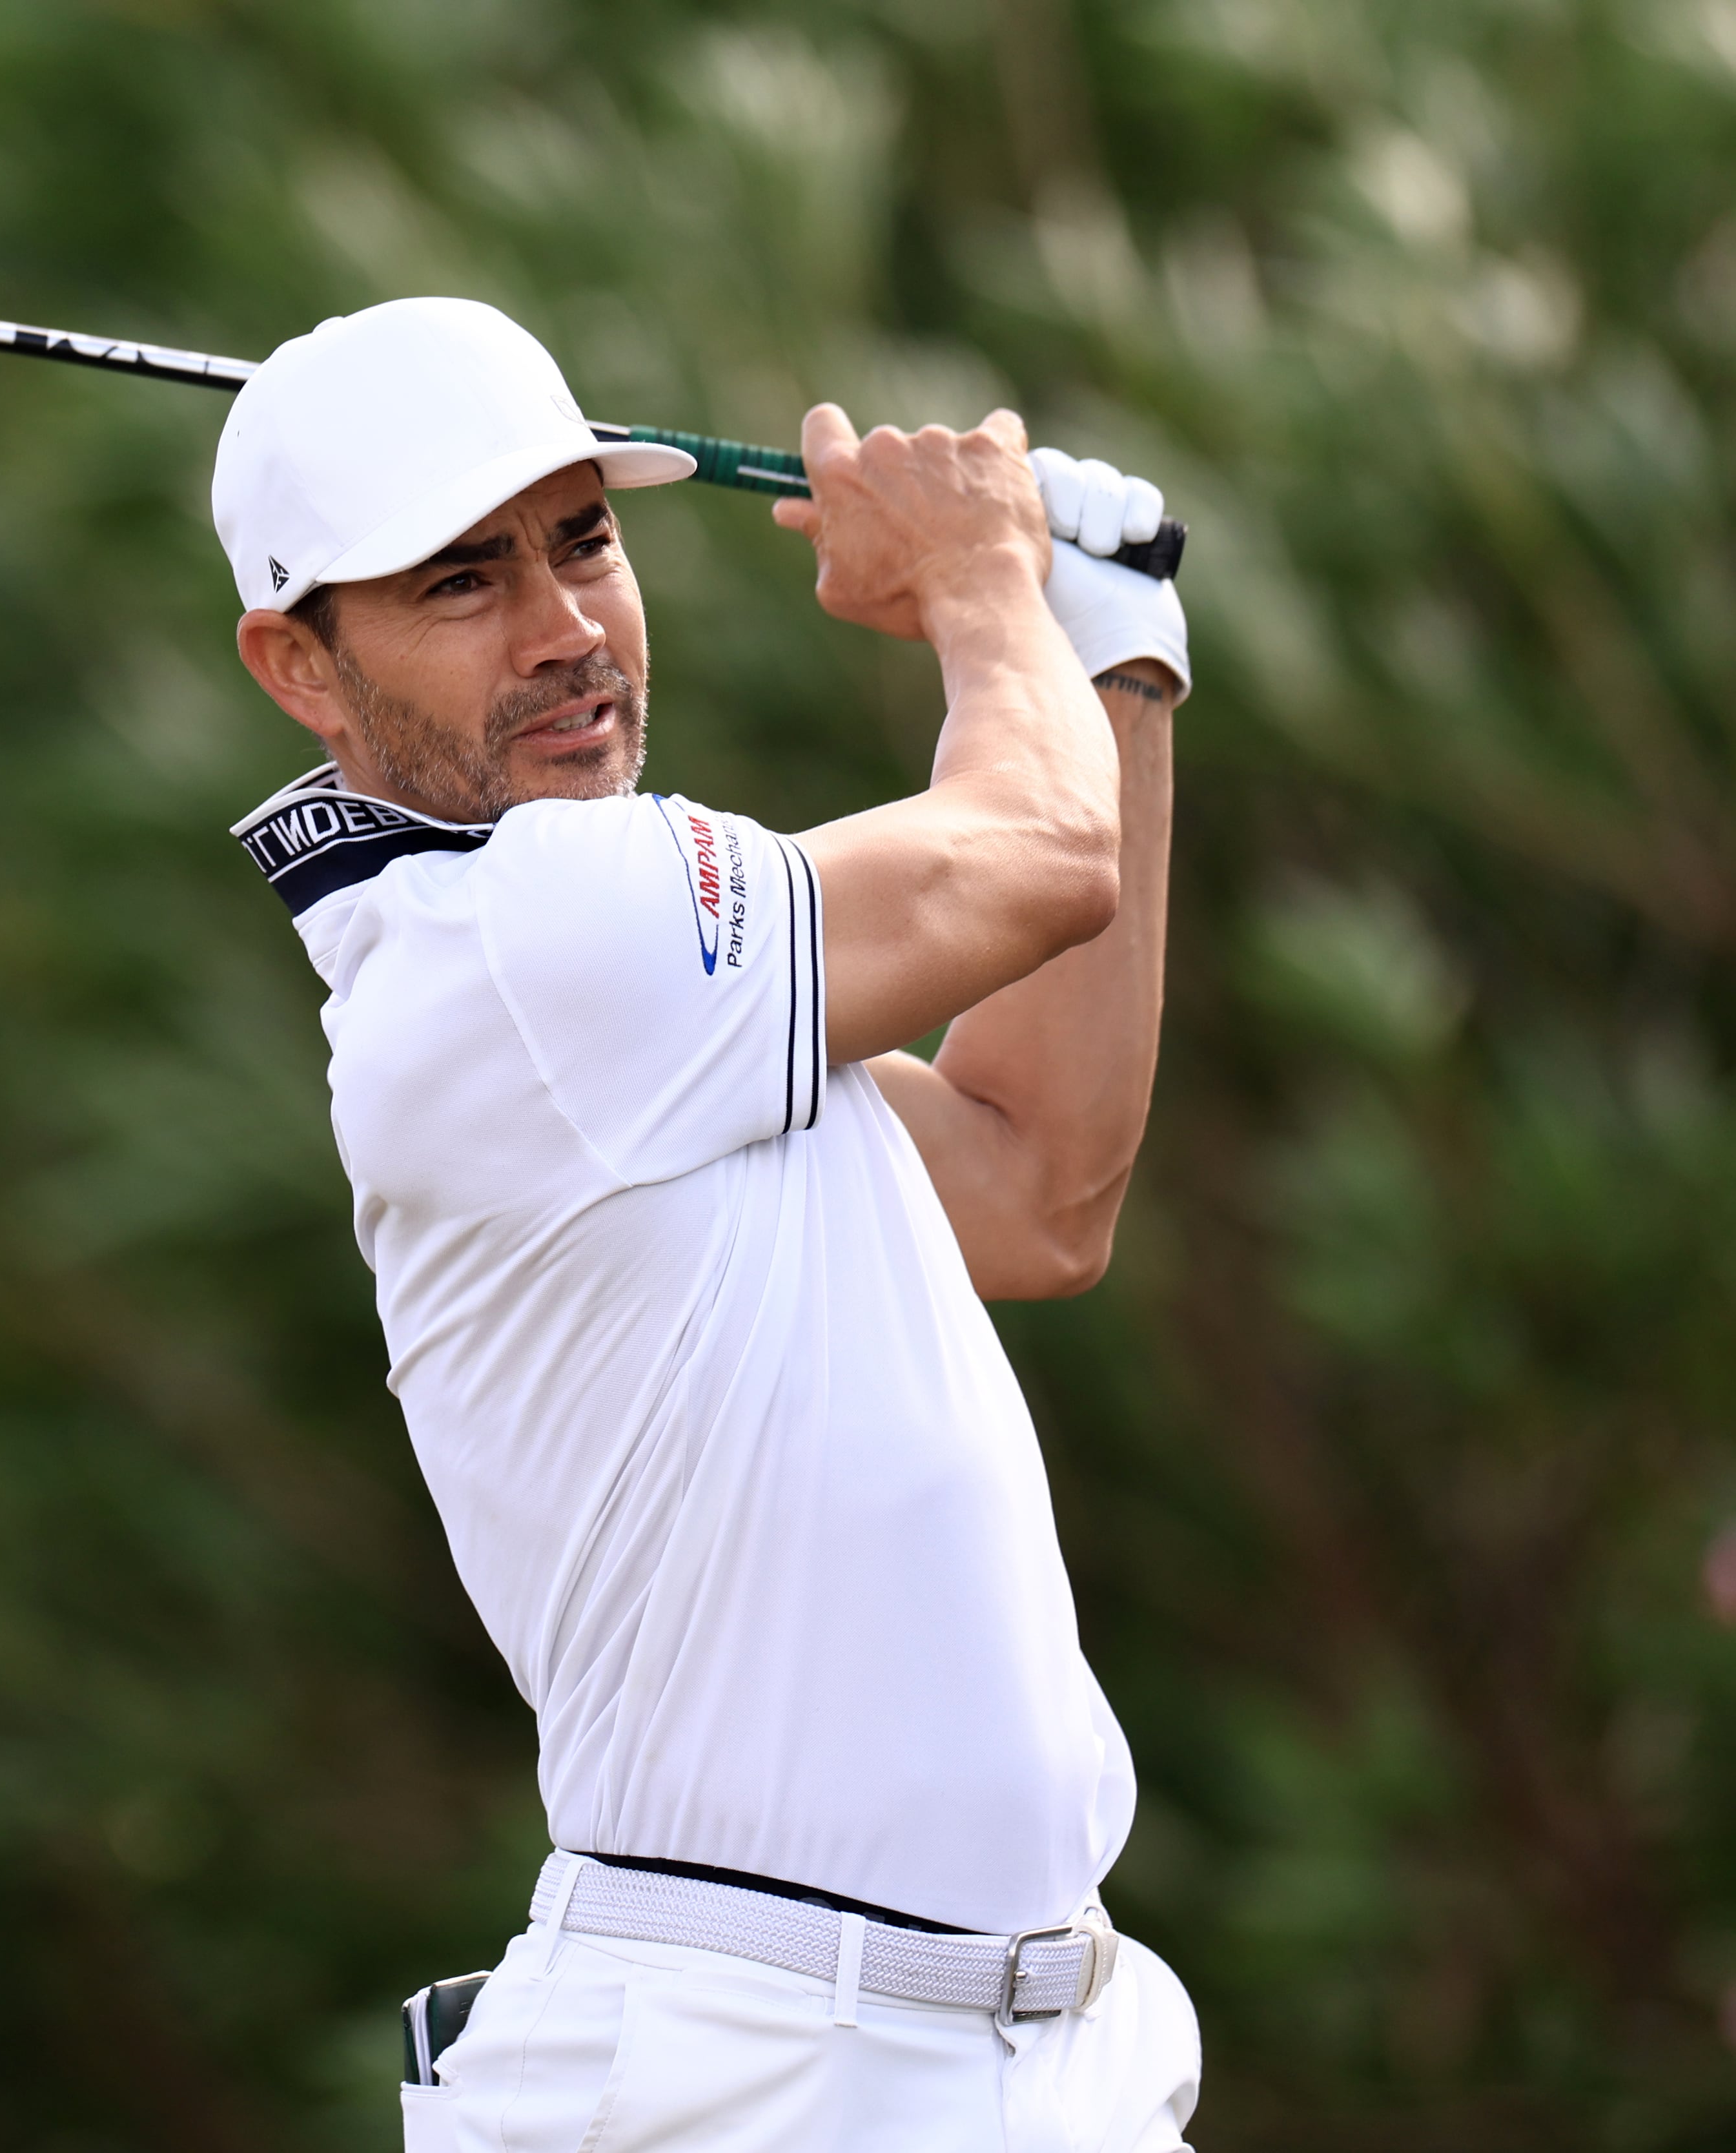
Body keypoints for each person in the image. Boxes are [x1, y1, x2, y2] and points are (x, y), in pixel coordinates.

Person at [214, 298, 1203, 2152]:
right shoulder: (540, 933)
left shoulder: (632, 999)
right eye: (460, 581)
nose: (564, 628)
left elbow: (1036, 1179)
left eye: (583, 539)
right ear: (301, 669)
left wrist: (1112, 658)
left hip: (1019, 2054)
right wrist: (988, 585)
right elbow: (1042, 854)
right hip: (749, 2065)